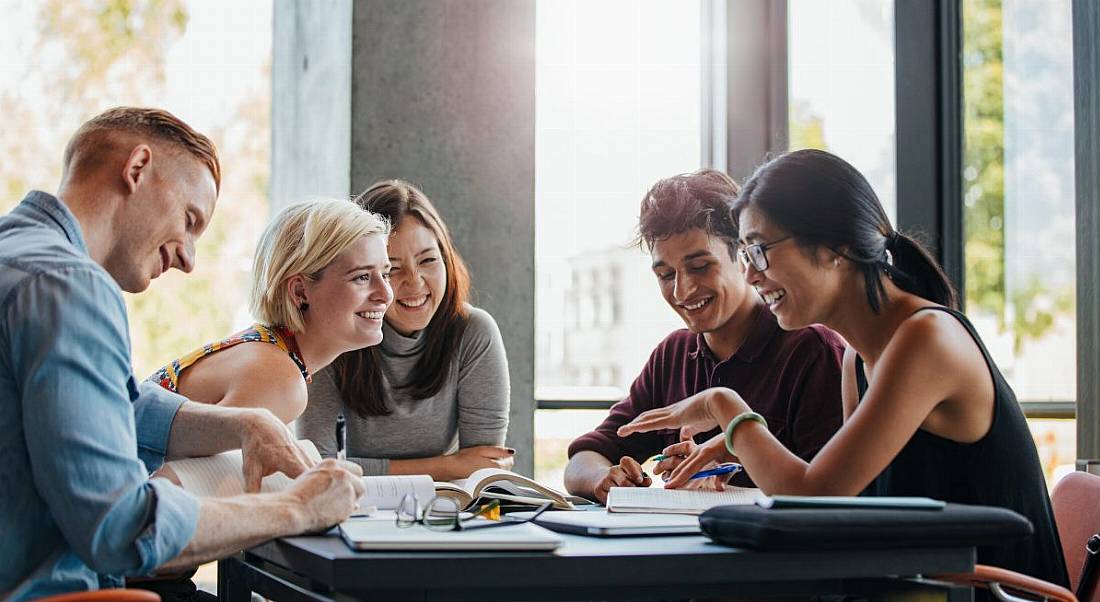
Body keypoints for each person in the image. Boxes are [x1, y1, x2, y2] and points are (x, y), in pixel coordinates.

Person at [618, 149, 1069, 586]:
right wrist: (737, 448)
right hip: (921, 586)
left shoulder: (926, 339)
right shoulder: (859, 355)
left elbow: (813, 498)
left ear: (835, 247)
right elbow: (845, 506)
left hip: (986, 593)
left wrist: (726, 408)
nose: (752, 275)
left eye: (759, 251)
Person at [0, 107, 366, 602]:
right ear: (137, 170)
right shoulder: (69, 285)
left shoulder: (18, 256)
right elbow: (123, 529)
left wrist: (245, 424)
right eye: (189, 220)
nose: (189, 260)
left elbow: (122, 407)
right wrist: (298, 507)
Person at [564, 169, 846, 504]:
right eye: (666, 275)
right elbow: (584, 458)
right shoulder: (673, 355)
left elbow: (830, 494)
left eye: (699, 267)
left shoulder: (812, 351)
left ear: (743, 256)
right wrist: (603, 478)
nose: (682, 290)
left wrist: (737, 459)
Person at [297, 180, 512, 480]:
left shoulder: (474, 332)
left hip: (445, 510)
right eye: (392, 269)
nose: (415, 282)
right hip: (352, 508)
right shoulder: (332, 334)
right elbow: (317, 467)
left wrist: (458, 469)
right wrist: (447, 466)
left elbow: (482, 466)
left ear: (447, 259)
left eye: (428, 260)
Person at [148, 199, 394, 424]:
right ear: (299, 291)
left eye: (385, 274)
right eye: (362, 277)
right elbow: (171, 472)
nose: (385, 294)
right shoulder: (279, 380)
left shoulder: (270, 352)